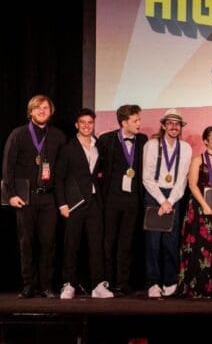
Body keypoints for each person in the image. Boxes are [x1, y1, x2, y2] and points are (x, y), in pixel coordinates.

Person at [2, 95, 66, 298]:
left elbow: (65, 169)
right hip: (25, 198)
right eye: (37, 108)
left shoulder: (58, 136)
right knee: (26, 243)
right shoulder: (18, 134)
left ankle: (46, 285)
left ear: (51, 111)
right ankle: (28, 284)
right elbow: (8, 167)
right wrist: (10, 194)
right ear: (30, 112)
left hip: (49, 199)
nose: (42, 111)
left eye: (45, 108)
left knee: (48, 244)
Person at [55, 108, 114, 299]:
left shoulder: (99, 146)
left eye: (90, 123)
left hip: (95, 203)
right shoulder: (68, 148)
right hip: (75, 203)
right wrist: (62, 204)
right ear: (76, 125)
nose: (87, 126)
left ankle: (98, 285)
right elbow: (59, 179)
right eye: (83, 123)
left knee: (97, 245)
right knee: (71, 245)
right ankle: (69, 284)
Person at [96, 104, 148, 296]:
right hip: (111, 199)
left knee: (127, 242)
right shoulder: (106, 140)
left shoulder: (143, 140)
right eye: (135, 121)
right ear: (124, 122)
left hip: (133, 200)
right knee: (109, 242)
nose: (139, 124)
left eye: (139, 120)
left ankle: (122, 282)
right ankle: (107, 280)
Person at [177, 126, 212, 298]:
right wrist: (204, 205)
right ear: (205, 141)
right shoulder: (197, 160)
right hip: (199, 210)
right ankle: (196, 288)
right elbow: (192, 185)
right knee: (198, 249)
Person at [142, 109, 192, 298]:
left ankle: (170, 280)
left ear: (180, 128)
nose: (173, 127)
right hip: (154, 194)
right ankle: (153, 282)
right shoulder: (152, 145)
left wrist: (170, 201)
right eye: (170, 123)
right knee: (153, 243)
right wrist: (162, 201)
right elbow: (147, 178)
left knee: (171, 243)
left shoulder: (185, 148)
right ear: (163, 125)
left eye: (177, 124)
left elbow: (182, 180)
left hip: (174, 196)